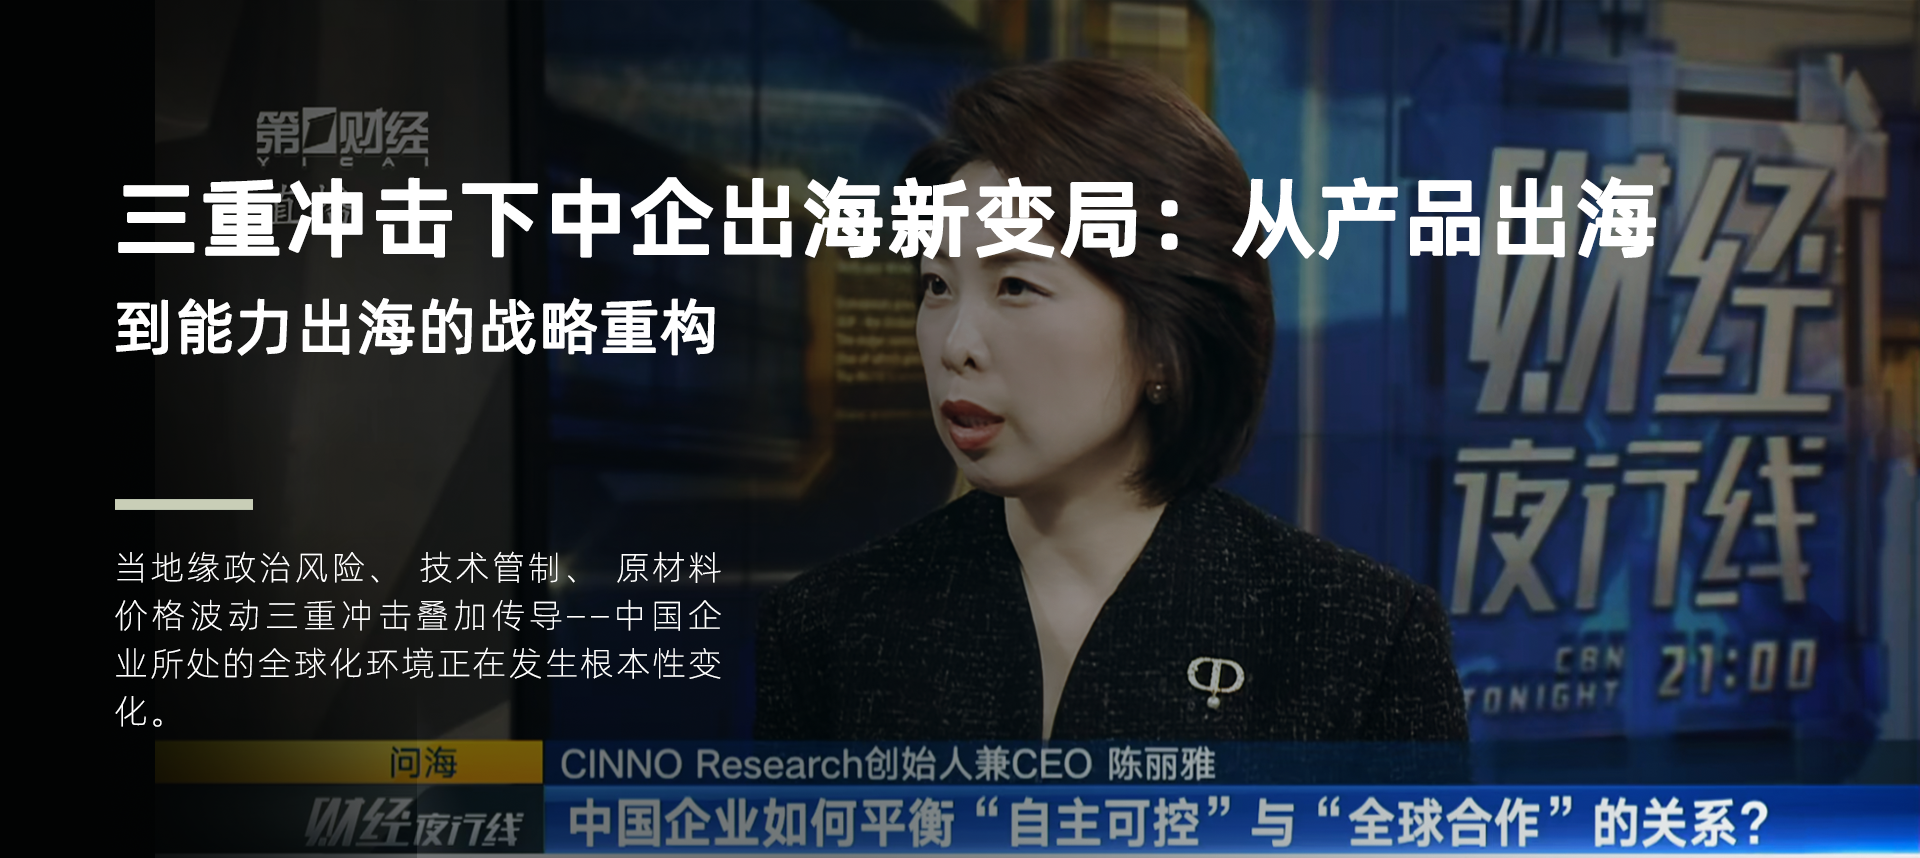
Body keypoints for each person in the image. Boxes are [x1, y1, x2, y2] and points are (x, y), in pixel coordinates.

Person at [755, 59, 1467, 742]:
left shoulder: (1362, 640)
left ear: (1166, 337)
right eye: (937, 286)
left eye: (1016, 287)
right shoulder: (829, 629)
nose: (956, 344)